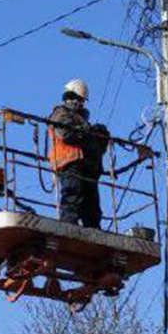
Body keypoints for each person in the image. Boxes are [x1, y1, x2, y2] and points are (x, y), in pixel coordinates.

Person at [49, 78, 110, 228]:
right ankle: (68, 227)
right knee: (72, 197)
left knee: (92, 206)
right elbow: (66, 134)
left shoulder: (82, 120)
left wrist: (99, 135)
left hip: (87, 166)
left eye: (82, 100)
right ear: (69, 97)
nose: (80, 103)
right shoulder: (61, 114)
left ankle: (94, 230)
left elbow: (97, 147)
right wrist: (89, 132)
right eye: (78, 99)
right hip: (70, 163)